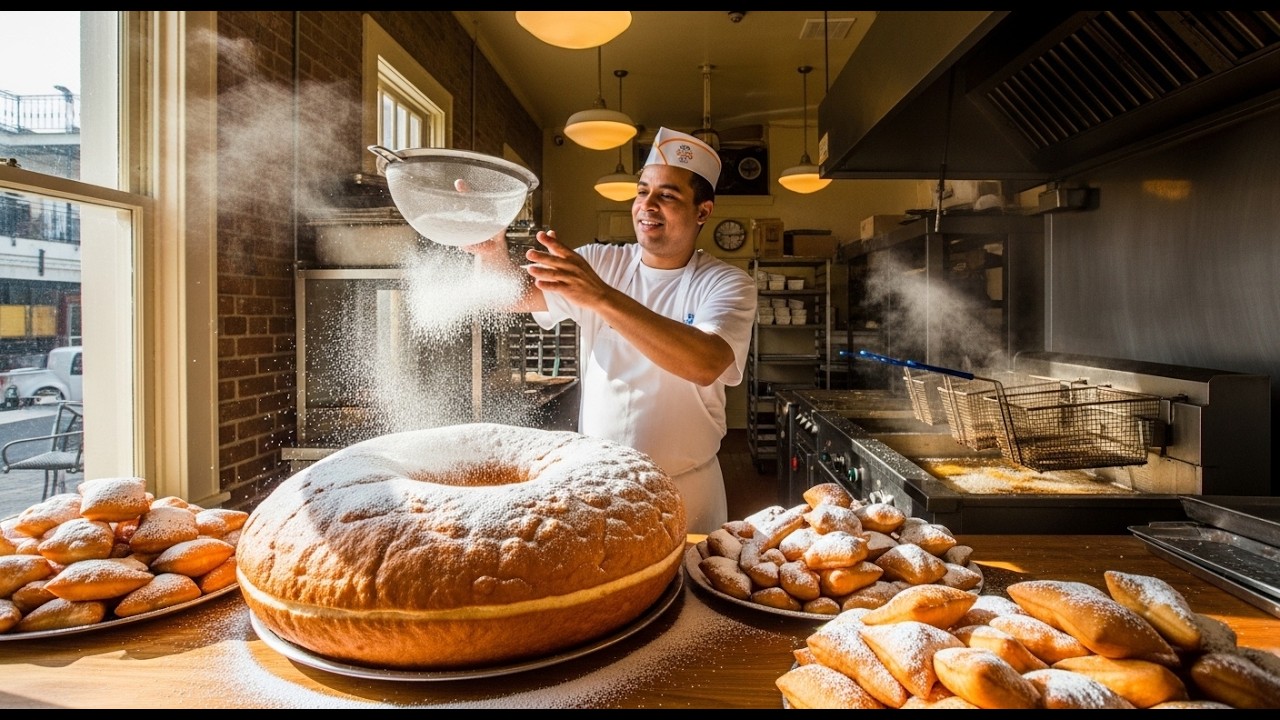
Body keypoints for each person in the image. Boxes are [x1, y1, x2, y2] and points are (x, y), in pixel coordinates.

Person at [465, 127, 758, 533]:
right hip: (600, 487)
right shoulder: (601, 263)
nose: (647, 205)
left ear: (703, 211)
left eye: (667, 195)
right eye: (642, 192)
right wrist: (489, 251)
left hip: (687, 490)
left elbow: (706, 362)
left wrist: (601, 297)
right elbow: (512, 296)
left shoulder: (726, 283)